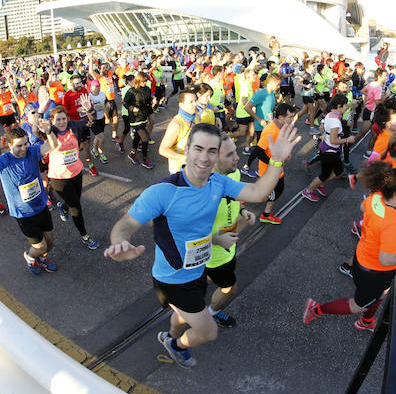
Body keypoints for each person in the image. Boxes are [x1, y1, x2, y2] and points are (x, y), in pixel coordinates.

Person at [103, 120, 300, 368]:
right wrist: (120, 244)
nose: (204, 158)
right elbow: (126, 224)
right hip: (173, 280)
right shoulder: (164, 191)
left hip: (199, 269)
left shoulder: (218, 183)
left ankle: (170, 336)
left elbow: (259, 192)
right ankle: (176, 345)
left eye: (211, 151)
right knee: (208, 332)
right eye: (198, 149)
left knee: (181, 317)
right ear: (186, 150)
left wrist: (277, 160)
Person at [304, 162, 396, 331]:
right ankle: (316, 309)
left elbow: (362, 207)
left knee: (380, 294)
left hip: (364, 258)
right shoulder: (393, 224)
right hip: (376, 271)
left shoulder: (378, 198)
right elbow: (386, 259)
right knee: (358, 305)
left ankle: (366, 322)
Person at [0, 123, 59, 274]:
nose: (24, 148)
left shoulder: (32, 152)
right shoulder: (4, 161)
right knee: (41, 246)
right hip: (23, 213)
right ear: (10, 145)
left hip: (41, 205)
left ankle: (42, 258)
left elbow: (52, 145)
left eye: (25, 143)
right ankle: (30, 257)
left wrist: (49, 132)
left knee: (49, 242)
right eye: (19, 146)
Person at [205, 136, 256, 328]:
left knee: (204, 278)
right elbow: (187, 232)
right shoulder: (202, 188)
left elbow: (235, 199)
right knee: (230, 287)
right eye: (230, 154)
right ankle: (211, 313)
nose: (238, 157)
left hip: (227, 246)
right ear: (213, 158)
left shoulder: (233, 174)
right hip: (213, 252)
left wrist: (243, 211)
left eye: (236, 151)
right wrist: (218, 240)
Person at [46, 107, 99, 250]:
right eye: (58, 120)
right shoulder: (49, 131)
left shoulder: (73, 126)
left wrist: (89, 109)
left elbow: (90, 121)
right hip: (59, 178)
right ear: (52, 121)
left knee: (75, 200)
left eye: (64, 118)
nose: (62, 122)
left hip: (76, 172)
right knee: (76, 208)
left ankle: (63, 206)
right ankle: (85, 236)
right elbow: (37, 132)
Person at [301, 94, 356, 202]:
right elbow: (333, 140)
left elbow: (327, 129)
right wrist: (347, 139)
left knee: (338, 170)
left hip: (328, 150)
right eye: (345, 105)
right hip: (329, 152)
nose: (346, 107)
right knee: (325, 174)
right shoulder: (335, 121)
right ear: (339, 106)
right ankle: (308, 191)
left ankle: (321, 184)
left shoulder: (331, 114)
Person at [255, 102, 298, 224]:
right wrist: (273, 163)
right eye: (290, 117)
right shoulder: (271, 130)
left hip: (277, 167)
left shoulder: (280, 127)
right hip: (270, 170)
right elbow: (258, 151)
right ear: (280, 117)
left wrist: (284, 155)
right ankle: (266, 215)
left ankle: (249, 196)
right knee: (274, 192)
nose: (292, 119)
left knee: (277, 190)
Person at [158, 87, 197, 174]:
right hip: (179, 171)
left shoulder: (195, 117)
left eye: (195, 101)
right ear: (181, 105)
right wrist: (185, 158)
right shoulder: (176, 124)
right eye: (191, 102)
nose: (195, 104)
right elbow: (163, 150)